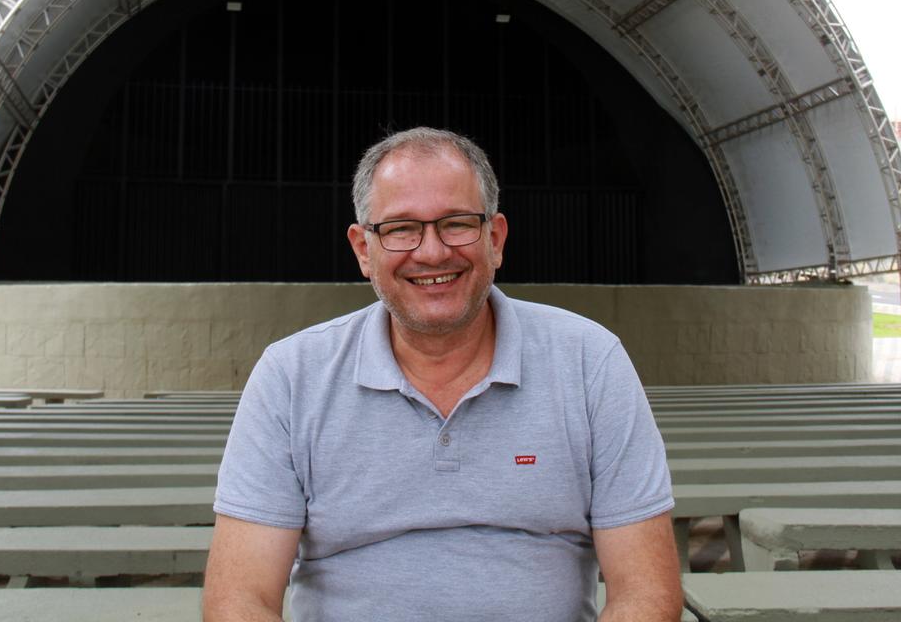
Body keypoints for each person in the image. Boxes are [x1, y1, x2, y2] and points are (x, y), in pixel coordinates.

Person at [202, 127, 681, 622]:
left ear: (495, 239)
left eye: (456, 224)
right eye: (401, 228)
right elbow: (240, 600)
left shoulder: (590, 361)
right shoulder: (290, 376)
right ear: (364, 249)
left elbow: (646, 593)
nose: (432, 252)